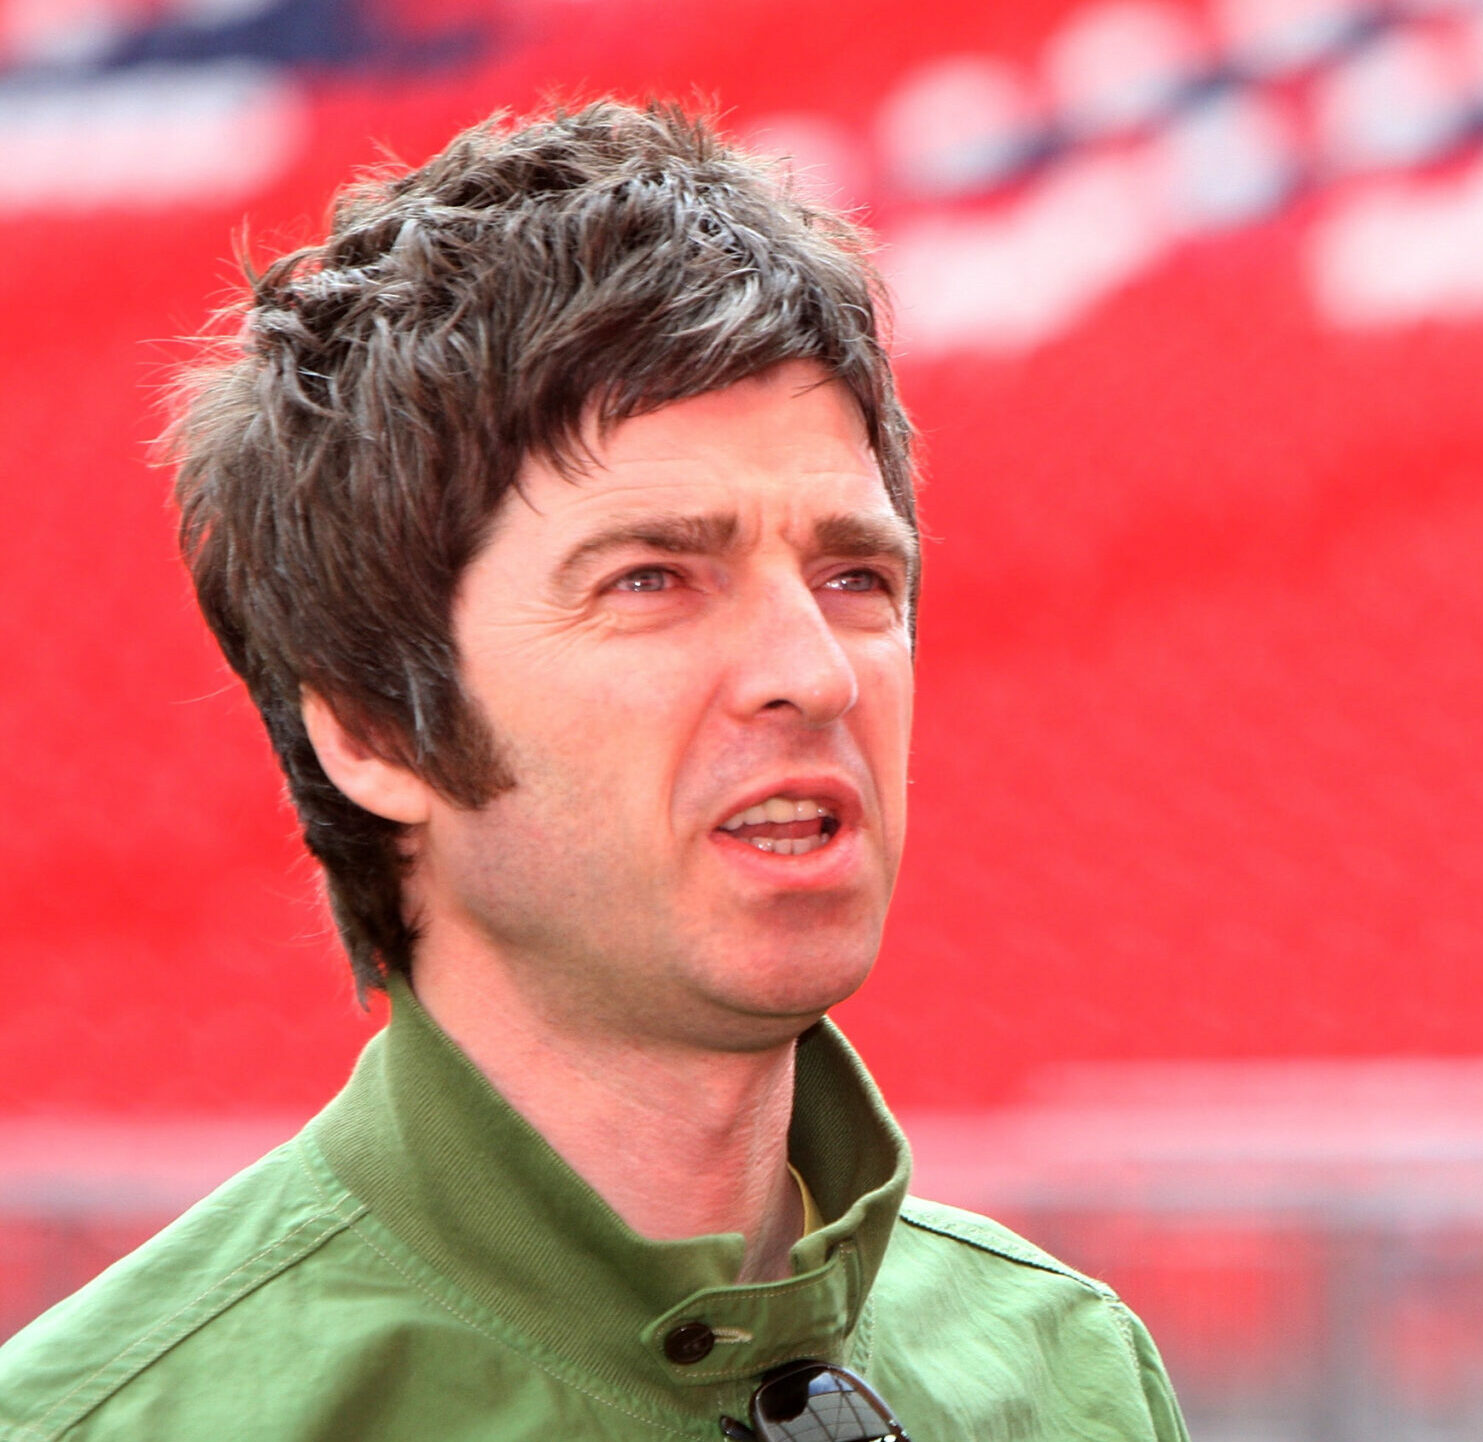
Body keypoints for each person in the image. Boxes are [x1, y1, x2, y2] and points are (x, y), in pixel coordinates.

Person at [0, 101, 1187, 1442]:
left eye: (856, 573)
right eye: (653, 578)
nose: (816, 670)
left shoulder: (1070, 1379)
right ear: (376, 731)